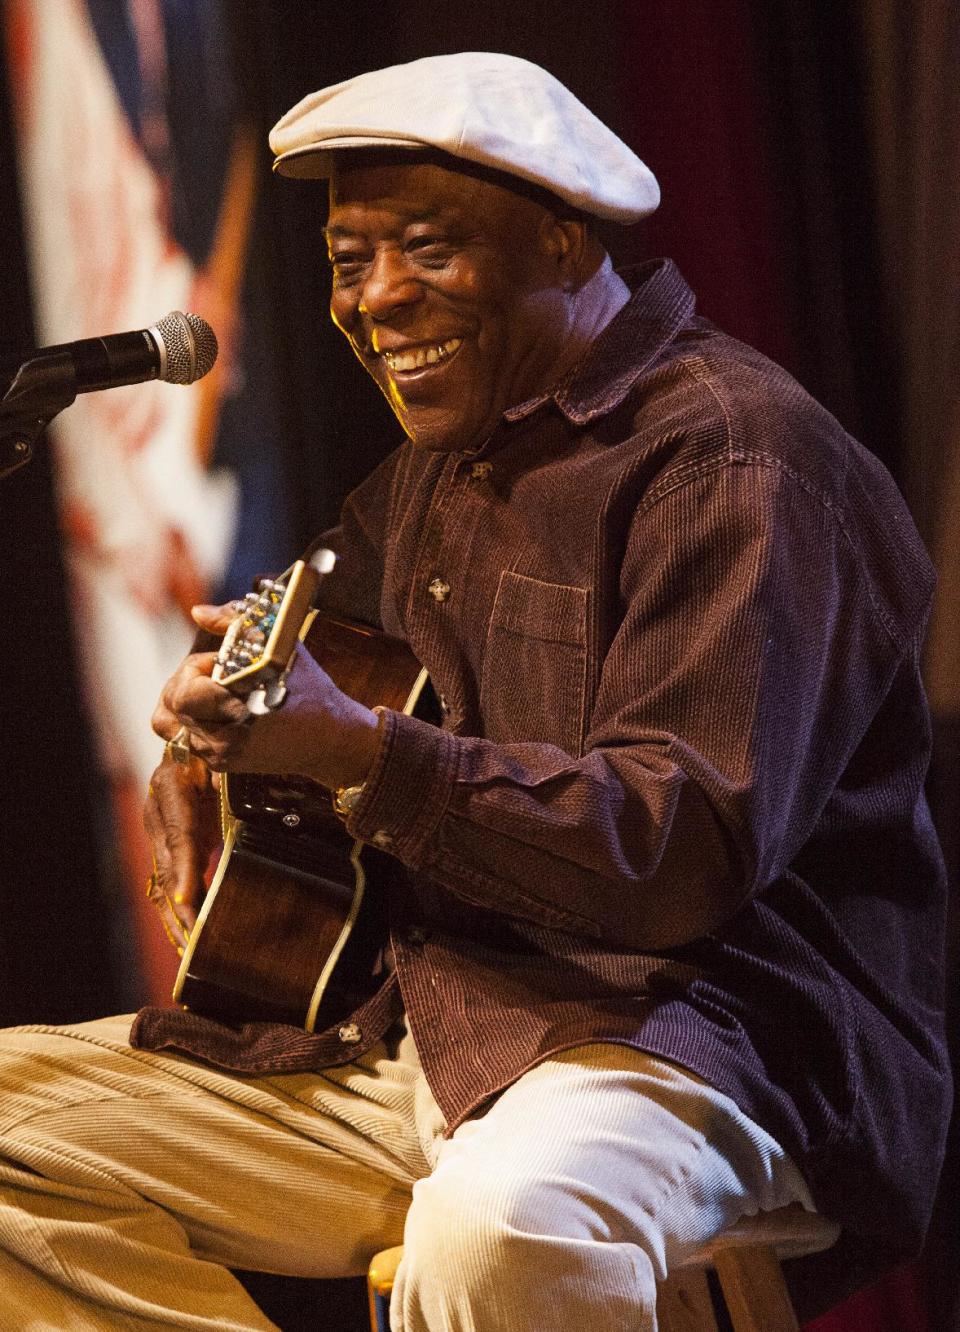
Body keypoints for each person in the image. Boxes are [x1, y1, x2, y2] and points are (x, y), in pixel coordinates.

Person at [0, 52, 951, 1332]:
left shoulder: (732, 459)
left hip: (706, 1039)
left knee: (505, 1225)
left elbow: (686, 847)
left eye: (428, 249)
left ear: (563, 242)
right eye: (349, 260)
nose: (378, 297)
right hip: (442, 1039)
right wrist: (214, 745)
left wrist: (359, 757)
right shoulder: (433, 476)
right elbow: (304, 666)